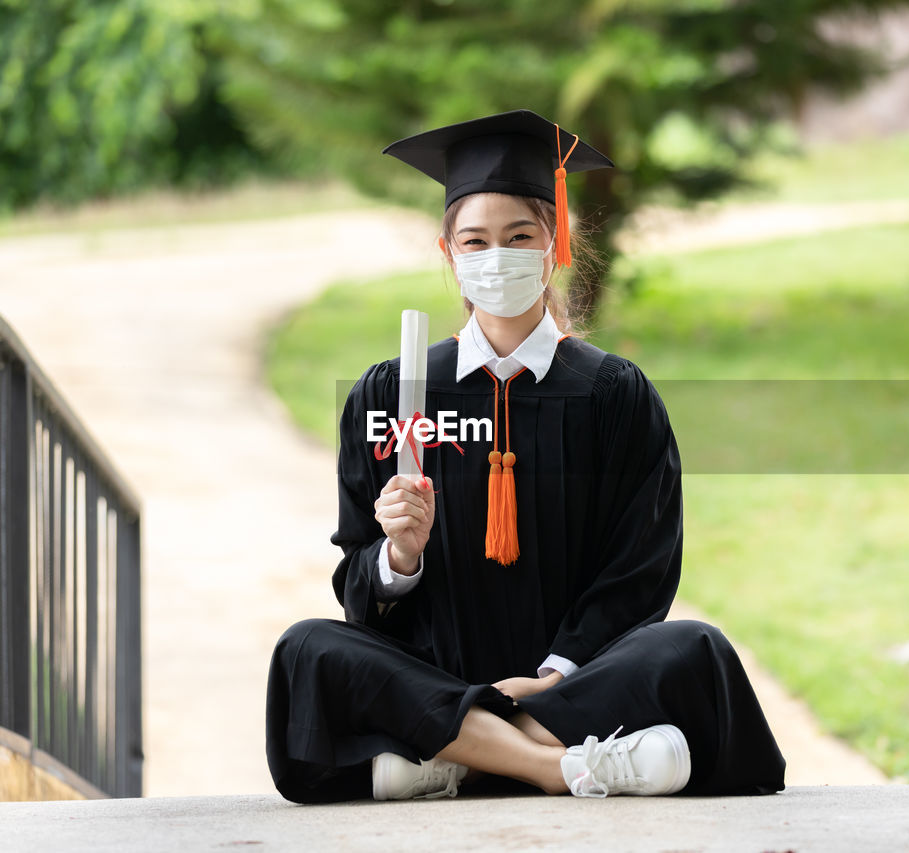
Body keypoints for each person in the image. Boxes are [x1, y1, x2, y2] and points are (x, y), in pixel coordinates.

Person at [265, 109, 786, 802]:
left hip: (574, 682)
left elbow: (640, 569)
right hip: (436, 674)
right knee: (306, 651)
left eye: (518, 237)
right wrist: (400, 556)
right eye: (475, 240)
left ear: (553, 243)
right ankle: (556, 764)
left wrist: (555, 674)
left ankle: (453, 754)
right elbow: (360, 587)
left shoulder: (613, 395)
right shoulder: (391, 394)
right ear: (449, 254)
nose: (496, 256)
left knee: (694, 649)